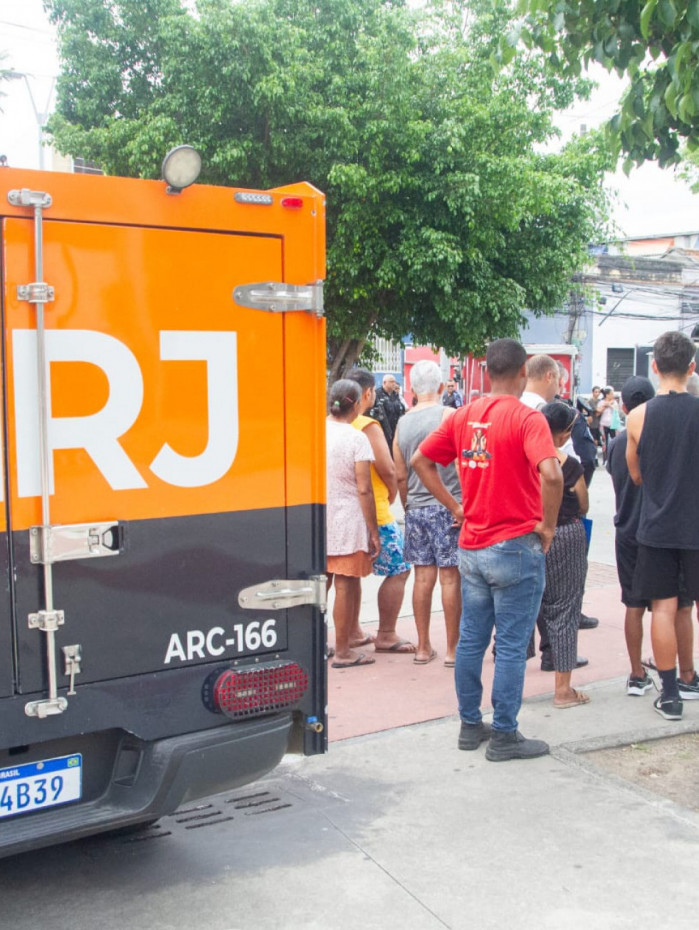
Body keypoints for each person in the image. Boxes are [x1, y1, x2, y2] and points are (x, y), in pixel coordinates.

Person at [412, 338, 563, 762]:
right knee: (512, 645)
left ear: (488, 371)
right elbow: (551, 475)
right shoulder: (527, 419)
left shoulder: (464, 415)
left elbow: (421, 461)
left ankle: (468, 725)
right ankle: (504, 735)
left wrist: (456, 506)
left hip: (472, 546)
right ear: (522, 372)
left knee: (471, 640)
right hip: (515, 545)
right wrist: (548, 526)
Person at [607, 375, 699, 699]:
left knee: (637, 605)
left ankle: (638, 675)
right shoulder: (674, 425)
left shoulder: (621, 439)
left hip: (631, 532)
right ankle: (686, 673)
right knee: (679, 607)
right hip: (667, 528)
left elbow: (630, 475)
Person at [626, 331, 699, 720]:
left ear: (654, 367)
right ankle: (691, 680)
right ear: (692, 367)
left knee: (664, 609)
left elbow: (636, 475)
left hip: (657, 526)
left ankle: (670, 695)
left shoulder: (638, 415)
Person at [394, 360, 461, 666]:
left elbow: (399, 473)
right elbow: (462, 463)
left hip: (417, 508)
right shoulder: (450, 415)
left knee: (423, 578)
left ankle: (423, 647)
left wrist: (409, 504)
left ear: (412, 389)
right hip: (450, 506)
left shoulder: (402, 423)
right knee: (450, 579)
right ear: (440, 386)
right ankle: (452, 650)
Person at [348, 369, 415, 656]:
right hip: (374, 510)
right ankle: (386, 633)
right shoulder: (367, 425)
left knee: (347, 575)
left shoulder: (327, 424)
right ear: (367, 393)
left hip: (341, 512)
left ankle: (350, 631)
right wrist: (391, 493)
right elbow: (387, 468)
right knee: (400, 568)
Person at [537, 402, 590, 708]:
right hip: (566, 535)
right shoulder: (568, 465)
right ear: (562, 433)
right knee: (566, 609)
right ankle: (563, 690)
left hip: (527, 533)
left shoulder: (524, 459)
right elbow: (582, 504)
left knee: (522, 611)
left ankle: (510, 688)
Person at [325, 379, 381, 668]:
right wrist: (373, 530)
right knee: (345, 585)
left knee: (320, 584)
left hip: (317, 517)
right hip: (347, 519)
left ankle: (317, 642)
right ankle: (343, 650)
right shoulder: (356, 437)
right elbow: (364, 488)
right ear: (356, 404)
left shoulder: (316, 430)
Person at [370, 374, 405, 452]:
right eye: (391, 382)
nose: (394, 384)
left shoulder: (395, 395)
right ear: (384, 382)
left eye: (395, 382)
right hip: (382, 431)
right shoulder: (377, 394)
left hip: (395, 430)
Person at [597, 387, 619, 462]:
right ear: (607, 395)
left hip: (612, 424)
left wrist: (609, 405)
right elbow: (598, 412)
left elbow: (616, 410)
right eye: (611, 394)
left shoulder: (614, 402)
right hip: (603, 424)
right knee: (604, 442)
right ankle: (605, 459)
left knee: (614, 440)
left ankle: (613, 457)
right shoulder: (601, 402)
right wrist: (605, 405)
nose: (613, 395)